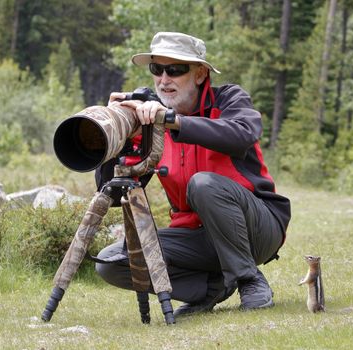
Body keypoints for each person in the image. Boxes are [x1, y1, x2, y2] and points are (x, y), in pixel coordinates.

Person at [94, 32, 291, 316]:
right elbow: (112, 193)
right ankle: (213, 287)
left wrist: (173, 121)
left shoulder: (229, 99)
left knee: (203, 184)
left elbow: (243, 134)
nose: (164, 79)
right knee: (111, 261)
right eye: (156, 69)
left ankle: (248, 278)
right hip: (195, 238)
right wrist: (118, 135)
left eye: (174, 69)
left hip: (257, 229)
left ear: (200, 74)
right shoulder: (151, 122)